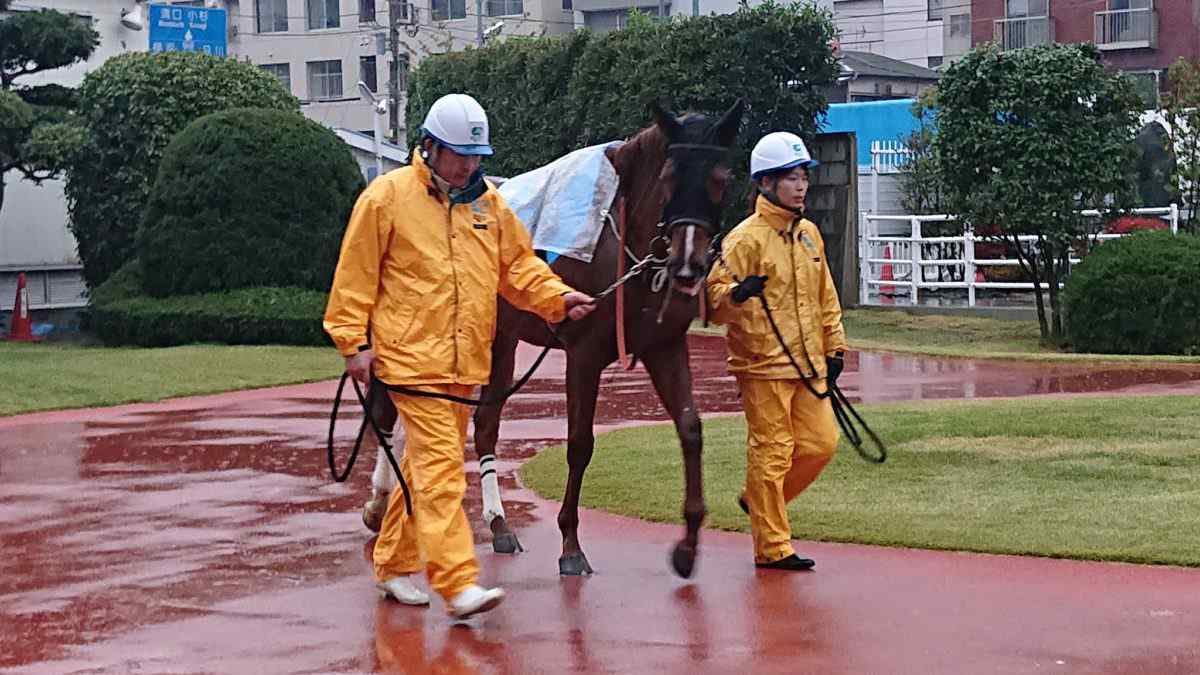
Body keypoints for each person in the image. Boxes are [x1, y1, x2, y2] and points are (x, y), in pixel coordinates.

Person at [324, 93, 596, 618]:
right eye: (460, 155)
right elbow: (354, 275)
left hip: (465, 362)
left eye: (477, 156)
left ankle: (392, 565)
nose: (470, 165)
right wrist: (352, 342)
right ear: (430, 147)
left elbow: (517, 267)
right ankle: (457, 582)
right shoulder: (386, 198)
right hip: (410, 361)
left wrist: (556, 299)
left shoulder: (489, 206)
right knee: (443, 469)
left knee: (422, 468)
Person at [705, 131, 848, 572]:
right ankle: (773, 547)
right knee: (772, 451)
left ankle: (760, 501)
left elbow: (825, 295)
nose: (801, 185)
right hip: (762, 364)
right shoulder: (744, 239)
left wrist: (835, 345)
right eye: (791, 177)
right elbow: (710, 299)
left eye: (804, 176)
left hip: (808, 365)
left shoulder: (808, 234)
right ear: (765, 183)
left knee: (822, 444)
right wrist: (737, 295)